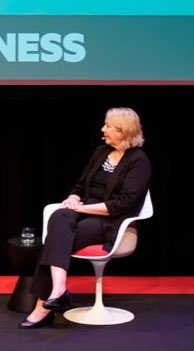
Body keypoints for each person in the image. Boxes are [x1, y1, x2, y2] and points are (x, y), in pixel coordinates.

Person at [18, 107, 151, 329]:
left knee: (54, 241)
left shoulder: (139, 160)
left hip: (112, 221)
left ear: (124, 130)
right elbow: (80, 186)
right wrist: (72, 198)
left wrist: (81, 210)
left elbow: (123, 204)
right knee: (60, 216)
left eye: (108, 126)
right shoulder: (101, 152)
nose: (103, 129)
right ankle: (58, 290)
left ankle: (43, 305)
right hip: (86, 209)